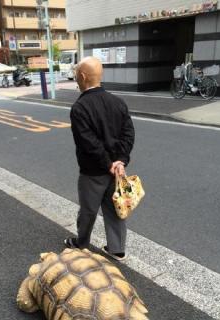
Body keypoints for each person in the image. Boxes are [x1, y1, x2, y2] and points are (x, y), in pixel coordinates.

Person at [64, 56, 135, 261]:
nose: (76, 77)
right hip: (117, 172)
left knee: (88, 210)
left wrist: (108, 164)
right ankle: (117, 249)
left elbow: (89, 143)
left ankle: (81, 244)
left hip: (93, 171)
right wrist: (120, 161)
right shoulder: (118, 102)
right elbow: (128, 134)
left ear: (83, 76)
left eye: (77, 73)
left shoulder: (80, 108)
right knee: (115, 209)